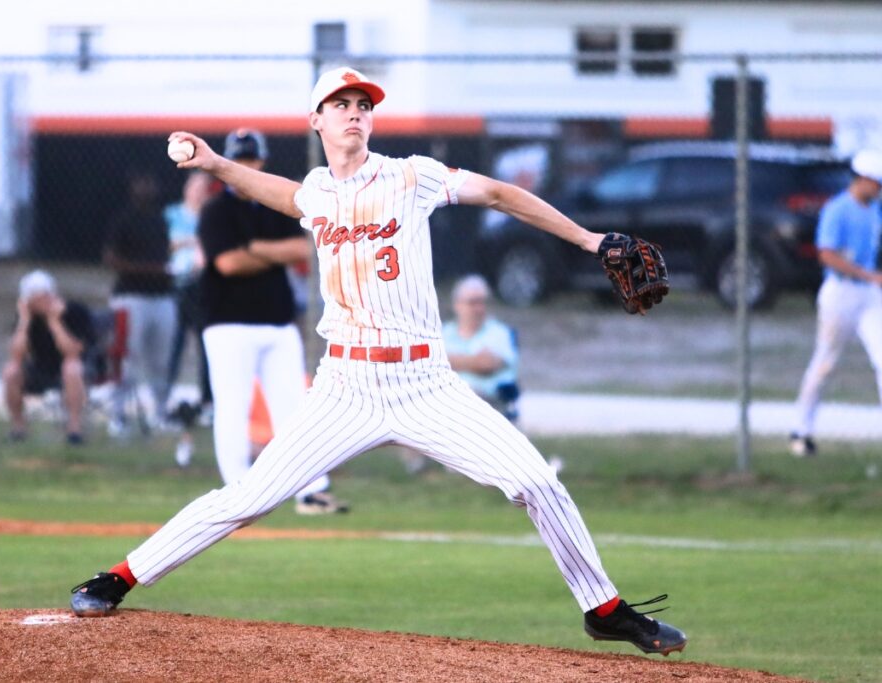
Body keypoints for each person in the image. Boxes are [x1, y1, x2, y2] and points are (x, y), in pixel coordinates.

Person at [69, 66, 687, 657]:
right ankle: (122, 575)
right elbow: (282, 193)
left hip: (424, 383)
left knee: (535, 483)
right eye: (341, 105)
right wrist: (214, 163)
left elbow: (497, 194)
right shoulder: (315, 193)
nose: (355, 115)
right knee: (249, 497)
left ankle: (604, 610)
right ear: (316, 120)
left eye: (364, 106)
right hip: (345, 386)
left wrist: (586, 240)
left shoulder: (409, 176)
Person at [197, 128, 346, 515]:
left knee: (296, 409)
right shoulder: (215, 210)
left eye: (251, 159)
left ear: (261, 161)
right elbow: (228, 264)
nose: (246, 166)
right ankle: (236, 493)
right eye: (239, 160)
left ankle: (311, 490)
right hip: (227, 323)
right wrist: (269, 253)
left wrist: (255, 249)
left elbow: (302, 248)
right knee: (232, 406)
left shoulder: (277, 203)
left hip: (278, 322)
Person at [790, 149, 882, 457]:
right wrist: (867, 274)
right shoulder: (838, 209)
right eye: (877, 183)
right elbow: (827, 254)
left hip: (869, 294)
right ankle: (801, 429)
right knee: (826, 362)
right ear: (864, 179)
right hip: (841, 292)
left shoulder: (875, 210)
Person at [104, 170, 177, 433]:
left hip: (162, 297)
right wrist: (149, 270)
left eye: (150, 182)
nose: (147, 187)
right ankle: (117, 415)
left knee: (161, 361)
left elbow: (169, 253)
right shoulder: (123, 220)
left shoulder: (160, 220)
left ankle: (160, 413)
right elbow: (111, 259)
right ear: (132, 185)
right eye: (141, 181)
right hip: (131, 297)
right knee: (125, 359)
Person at [2, 270, 96, 444]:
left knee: (71, 368)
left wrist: (54, 322)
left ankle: (74, 429)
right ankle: (18, 428)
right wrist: (24, 321)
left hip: (77, 369)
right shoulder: (29, 317)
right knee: (10, 371)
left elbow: (73, 352)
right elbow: (16, 355)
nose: (41, 302)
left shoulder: (75, 312)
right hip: (41, 368)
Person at [164, 170, 215, 424]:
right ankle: (165, 397)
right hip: (176, 284)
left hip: (203, 285)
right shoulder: (172, 214)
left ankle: (207, 401)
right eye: (193, 186)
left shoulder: (211, 215)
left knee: (205, 345)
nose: (197, 191)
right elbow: (166, 244)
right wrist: (192, 241)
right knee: (174, 344)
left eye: (201, 187)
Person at [442, 274, 520, 422]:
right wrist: (474, 361)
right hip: (447, 401)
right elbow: (426, 364)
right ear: (457, 305)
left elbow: (487, 364)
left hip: (489, 402)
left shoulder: (499, 332)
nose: (479, 308)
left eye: (482, 302)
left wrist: (448, 360)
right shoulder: (443, 332)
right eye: (472, 302)